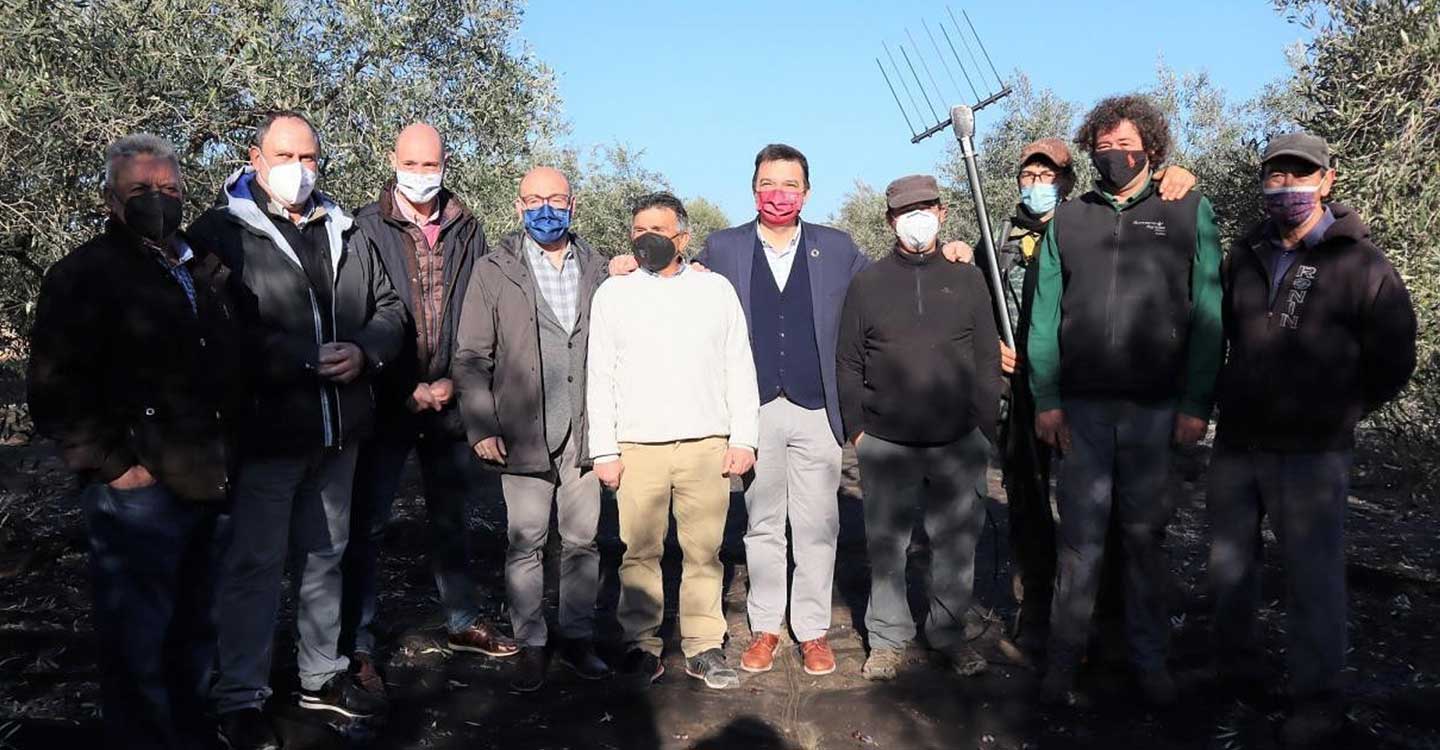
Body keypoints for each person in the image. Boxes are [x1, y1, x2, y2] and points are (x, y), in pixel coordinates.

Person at [607, 145, 971, 676]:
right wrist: (630, 261)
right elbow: (674, 278)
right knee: (762, 524)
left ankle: (814, 630)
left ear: (807, 192)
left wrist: (947, 251)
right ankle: (767, 627)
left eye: (789, 185)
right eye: (767, 184)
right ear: (753, 189)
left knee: (818, 523)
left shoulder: (837, 248)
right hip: (752, 409)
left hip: (816, 405)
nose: (778, 195)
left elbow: (890, 283)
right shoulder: (725, 247)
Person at [189, 111, 404, 749]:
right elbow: (214, 330)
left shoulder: (346, 229)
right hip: (266, 433)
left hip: (339, 432)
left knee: (325, 557)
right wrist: (299, 362)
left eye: (311, 158)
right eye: (287, 155)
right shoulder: (222, 232)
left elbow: (389, 307)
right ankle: (241, 696)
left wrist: (366, 351)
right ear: (255, 158)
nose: (300, 169)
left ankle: (320, 675)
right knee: (255, 565)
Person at [28, 134, 243, 749]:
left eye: (169, 189)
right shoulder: (83, 276)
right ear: (111, 201)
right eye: (140, 191)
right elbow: (55, 387)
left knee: (196, 625)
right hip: (139, 491)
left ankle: (192, 731)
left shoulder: (205, 267)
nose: (158, 200)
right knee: (136, 638)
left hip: (209, 476)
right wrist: (115, 465)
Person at [1207, 132, 1416, 745]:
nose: (1288, 186)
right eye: (1276, 176)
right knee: (1229, 568)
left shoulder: (1362, 265)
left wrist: (1342, 411)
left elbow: (1395, 357)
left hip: (1313, 451)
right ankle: (1234, 673)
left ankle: (1317, 698)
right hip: (1240, 442)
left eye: (1301, 175)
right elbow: (1218, 335)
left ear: (1327, 181)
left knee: (1313, 576)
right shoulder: (1242, 256)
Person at [1026, 95, 1223, 706]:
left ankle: (1149, 662)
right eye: (1104, 146)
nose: (1116, 155)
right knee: (1080, 543)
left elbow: (1208, 314)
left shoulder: (1188, 208)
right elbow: (1044, 316)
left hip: (1156, 409)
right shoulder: (1069, 219)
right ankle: (1063, 663)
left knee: (1144, 539)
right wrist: (1046, 396)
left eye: (1127, 144)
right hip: (1080, 412)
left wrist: (1196, 403)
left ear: (1153, 148)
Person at [974, 140, 1196, 660]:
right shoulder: (998, 239)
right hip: (1021, 396)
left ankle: (1107, 615)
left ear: (1071, 182)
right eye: (1028, 174)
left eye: (1048, 175)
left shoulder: (1088, 226)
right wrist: (991, 347)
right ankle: (1035, 614)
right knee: (1027, 506)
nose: (1037, 183)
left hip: (1083, 390)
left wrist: (1174, 176)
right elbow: (971, 306)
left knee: (1099, 507)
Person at [340, 123, 516, 698]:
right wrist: (403, 387)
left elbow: (478, 303)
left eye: (431, 163)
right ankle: (357, 641)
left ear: (445, 163)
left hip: (449, 396)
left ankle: (462, 620)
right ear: (392, 161)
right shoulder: (365, 226)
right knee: (367, 523)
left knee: (451, 516)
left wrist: (454, 382)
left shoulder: (468, 227)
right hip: (388, 398)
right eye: (411, 163)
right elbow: (360, 312)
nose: (421, 173)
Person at [587, 192, 760, 690]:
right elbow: (600, 376)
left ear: (682, 237)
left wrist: (743, 437)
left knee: (704, 552)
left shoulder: (716, 291)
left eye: (658, 231)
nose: (647, 239)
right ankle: (641, 646)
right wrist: (605, 450)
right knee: (639, 552)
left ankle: (704, 645)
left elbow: (738, 366)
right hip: (638, 445)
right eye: (639, 230)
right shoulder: (613, 294)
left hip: (705, 442)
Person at [837, 174, 1003, 682]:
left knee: (955, 545)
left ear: (942, 212)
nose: (917, 218)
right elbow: (848, 359)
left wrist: (985, 428)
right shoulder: (867, 282)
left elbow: (985, 356)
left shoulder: (968, 278)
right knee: (886, 546)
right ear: (890, 220)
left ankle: (948, 635)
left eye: (926, 207)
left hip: (958, 439)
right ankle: (888, 640)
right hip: (886, 441)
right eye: (906, 210)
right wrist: (858, 430)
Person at [453, 166, 612, 692]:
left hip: (586, 431)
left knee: (584, 542)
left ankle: (577, 639)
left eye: (557, 198)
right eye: (535, 199)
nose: (547, 209)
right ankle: (532, 643)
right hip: (522, 431)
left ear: (574, 204)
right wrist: (480, 423)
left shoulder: (599, 268)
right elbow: (472, 356)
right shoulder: (494, 270)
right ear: (519, 207)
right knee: (525, 542)